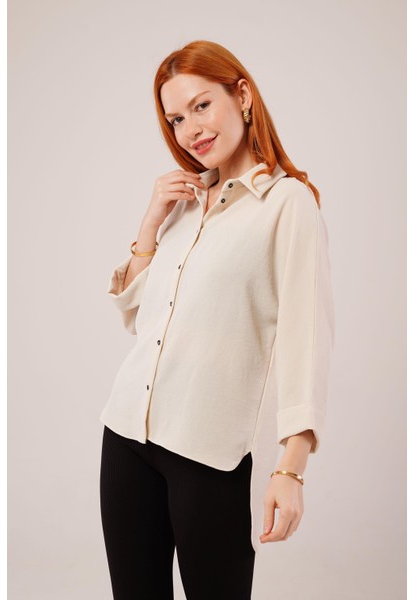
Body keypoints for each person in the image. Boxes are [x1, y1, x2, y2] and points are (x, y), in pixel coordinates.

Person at [99, 39, 335, 600]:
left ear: (243, 96)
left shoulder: (287, 204)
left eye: (201, 105)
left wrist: (291, 468)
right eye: (176, 119)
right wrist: (150, 223)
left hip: (209, 453)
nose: (190, 130)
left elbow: (306, 339)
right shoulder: (183, 203)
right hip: (126, 435)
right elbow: (139, 319)